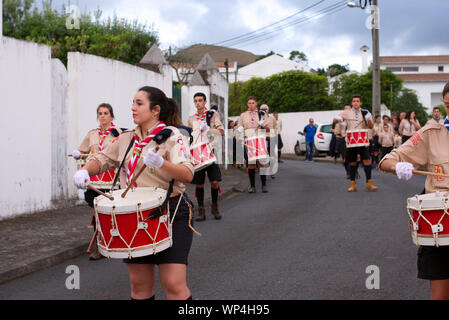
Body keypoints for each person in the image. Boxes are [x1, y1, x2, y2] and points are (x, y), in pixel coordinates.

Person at [72, 86, 195, 300]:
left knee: (173, 285)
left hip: (171, 211)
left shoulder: (172, 136)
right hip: (134, 214)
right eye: (133, 103)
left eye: (139, 103)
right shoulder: (126, 138)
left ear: (155, 110)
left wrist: (162, 162)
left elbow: (187, 173)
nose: (133, 108)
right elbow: (102, 159)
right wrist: (84, 171)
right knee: (139, 286)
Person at [379, 81, 449, 300]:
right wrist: (397, 166)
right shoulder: (431, 133)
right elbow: (388, 160)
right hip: (442, 226)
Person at [71, 103, 123, 260]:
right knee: (96, 210)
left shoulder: (118, 133)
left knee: (108, 212)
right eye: (100, 113)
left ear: (111, 116)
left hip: (111, 180)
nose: (102, 116)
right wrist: (77, 154)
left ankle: (109, 240)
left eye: (106, 113)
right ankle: (101, 244)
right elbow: (83, 150)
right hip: (94, 181)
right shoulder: (92, 134)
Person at [187, 93, 224, 221]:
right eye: (195, 101)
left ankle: (215, 206)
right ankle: (201, 210)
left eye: (200, 100)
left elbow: (221, 132)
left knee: (214, 182)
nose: (198, 103)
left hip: (210, 152)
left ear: (205, 101)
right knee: (199, 184)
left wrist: (208, 129)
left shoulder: (212, 116)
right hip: (197, 154)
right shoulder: (191, 119)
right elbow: (188, 136)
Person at [335, 94, 378, 192]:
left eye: (357, 101)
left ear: (360, 102)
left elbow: (371, 126)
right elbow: (336, 119)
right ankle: (352, 184)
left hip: (362, 140)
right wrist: (337, 119)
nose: (356, 103)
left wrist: (368, 118)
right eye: (354, 101)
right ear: (352, 102)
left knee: (367, 160)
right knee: (352, 162)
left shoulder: (365, 112)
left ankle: (369, 183)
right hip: (351, 140)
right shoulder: (346, 112)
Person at [236, 96, 270, 193]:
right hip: (249, 141)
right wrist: (239, 130)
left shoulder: (262, 114)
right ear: (247, 104)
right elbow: (239, 128)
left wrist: (263, 124)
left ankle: (264, 185)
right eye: (249, 103)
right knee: (251, 165)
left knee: (262, 164)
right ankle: (252, 186)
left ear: (256, 103)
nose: (251, 105)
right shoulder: (243, 115)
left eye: (253, 103)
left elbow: (268, 129)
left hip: (260, 141)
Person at [260, 104, 277, 178]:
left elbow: (276, 128)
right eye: (262, 109)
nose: (264, 110)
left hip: (270, 138)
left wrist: (272, 133)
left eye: (265, 109)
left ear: (268, 110)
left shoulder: (272, 118)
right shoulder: (259, 118)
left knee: (272, 156)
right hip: (262, 139)